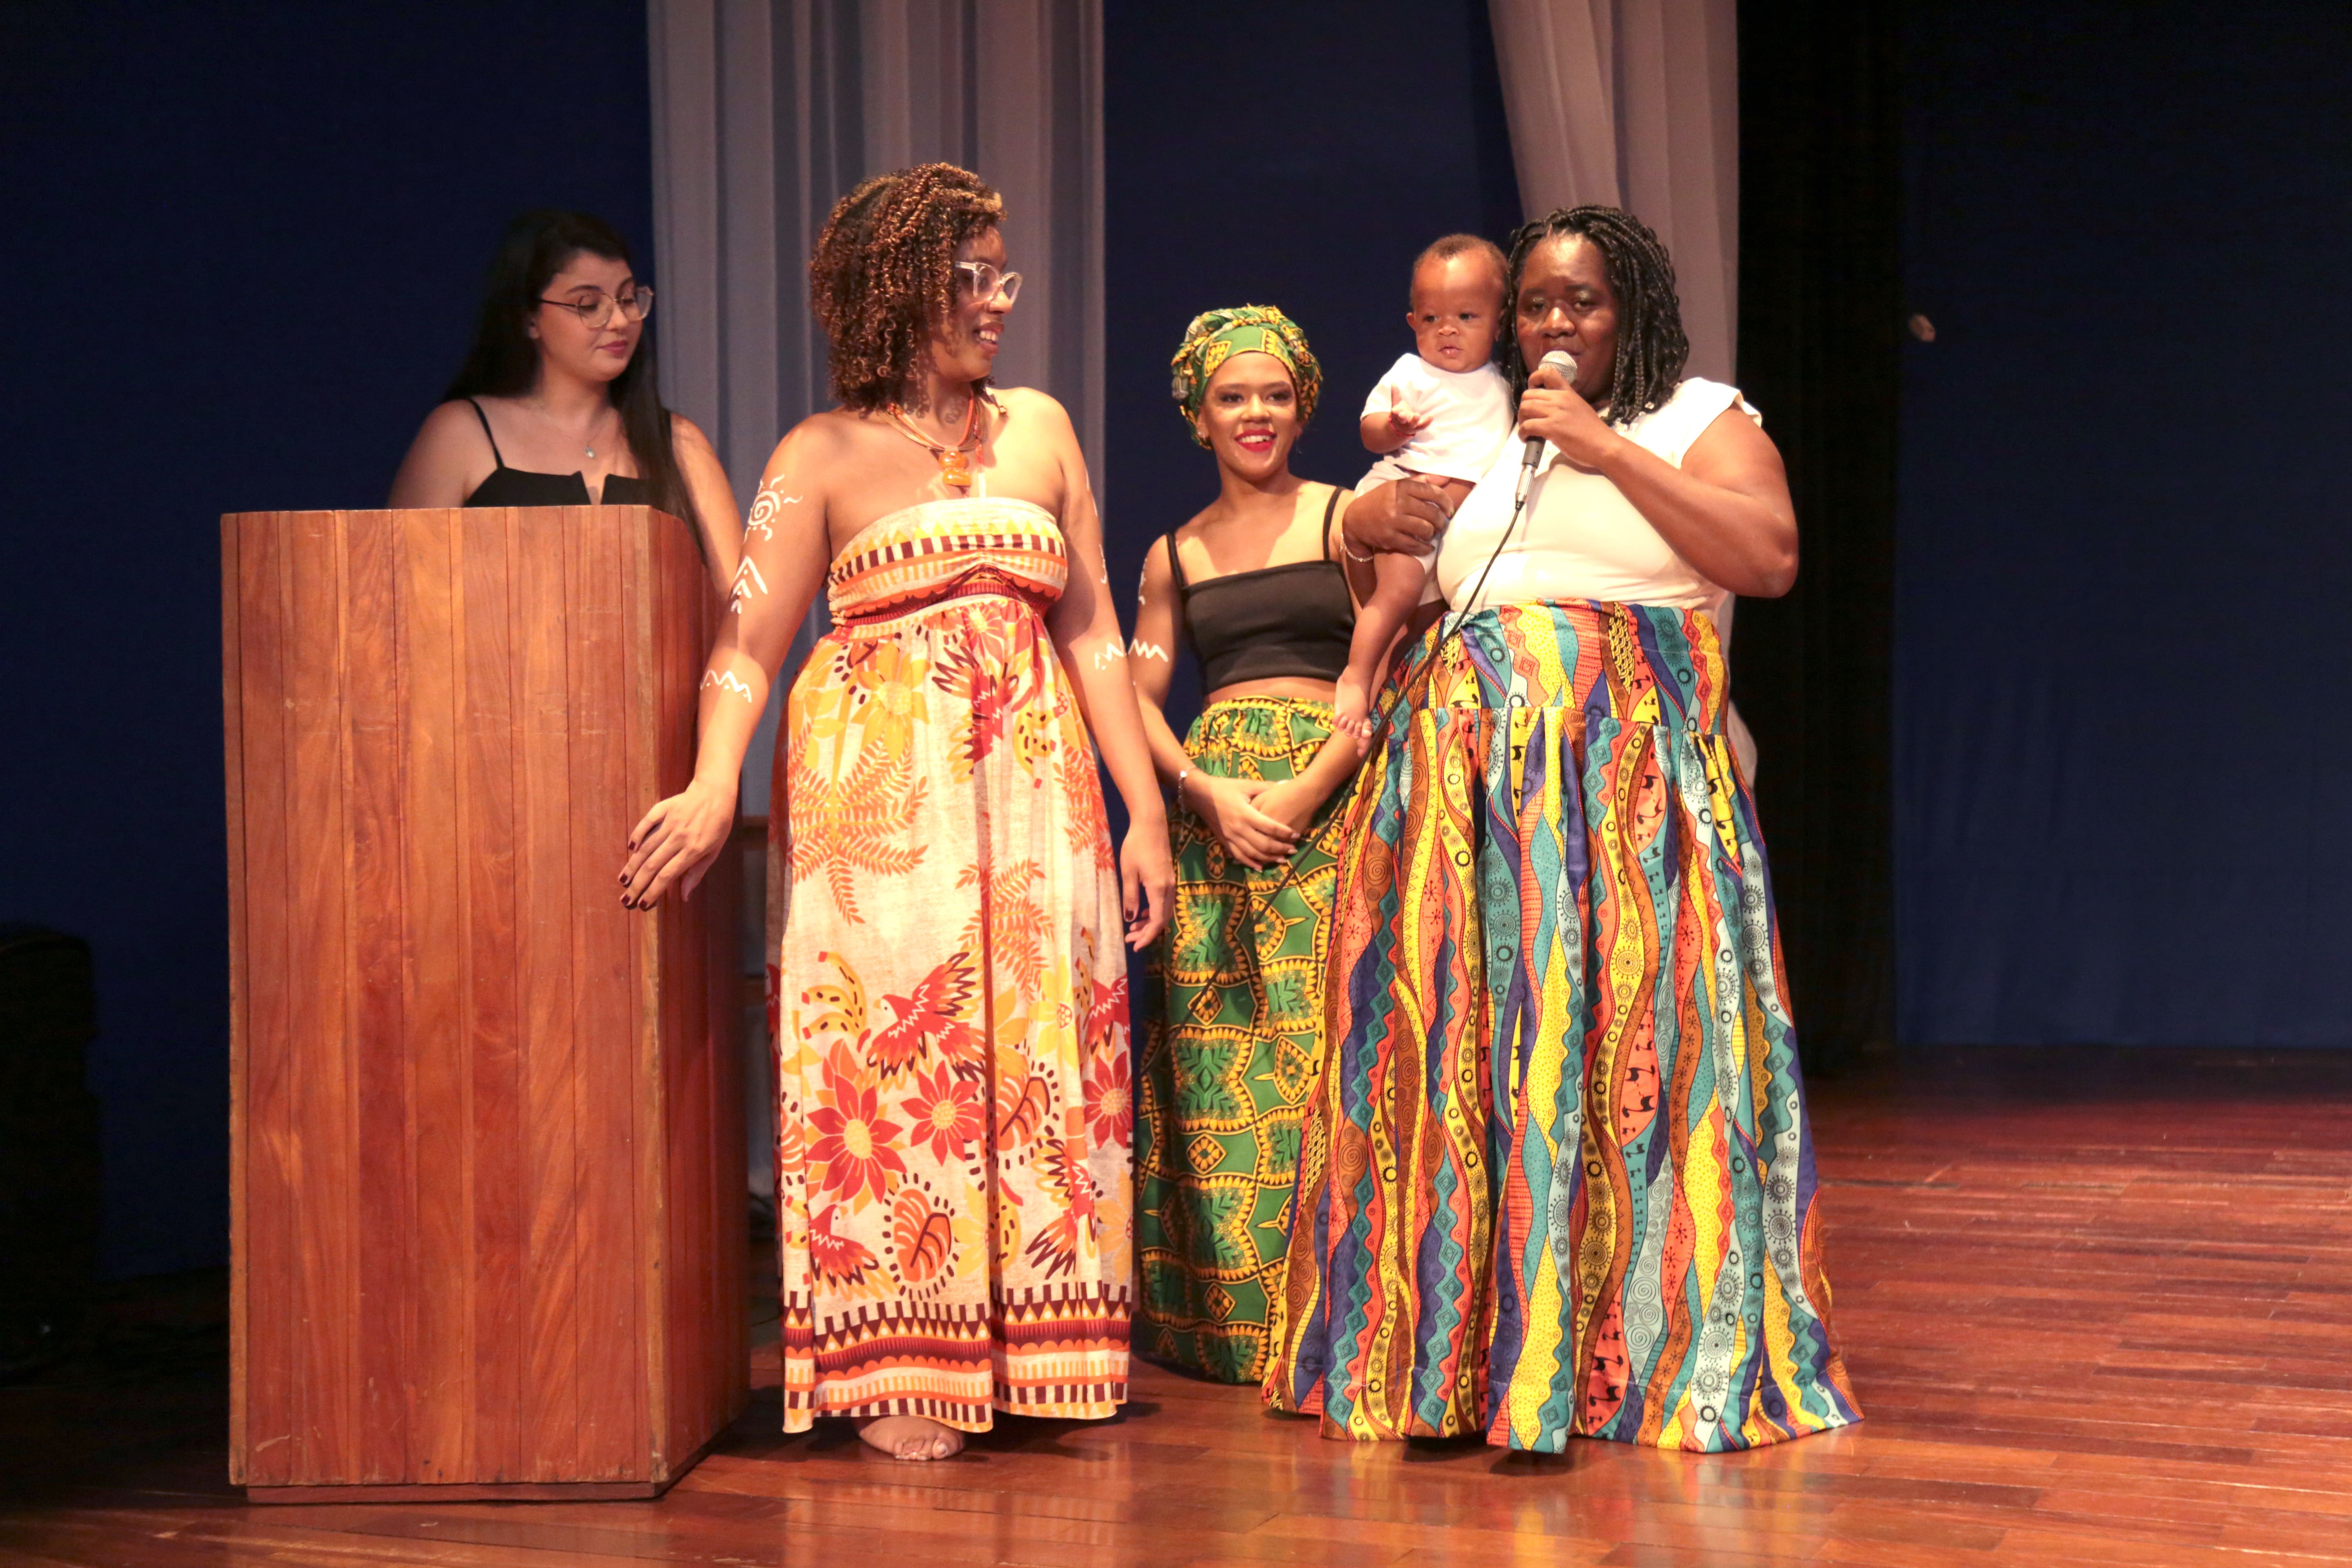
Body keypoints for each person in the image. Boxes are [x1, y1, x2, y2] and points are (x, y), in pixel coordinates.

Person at [1264, 205, 1860, 1452]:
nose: (1552, 322)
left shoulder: (1699, 416)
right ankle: (1461, 1357)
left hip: (1618, 785)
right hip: (1469, 793)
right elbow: (1428, 584)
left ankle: (1628, 1357)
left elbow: (1769, 556)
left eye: (1580, 299)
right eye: (1535, 301)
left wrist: (1605, 450)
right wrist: (1369, 536)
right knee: (1472, 1066)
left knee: (1629, 1053)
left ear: (1631, 307)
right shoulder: (1496, 437)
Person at [617, 165, 1173, 1463]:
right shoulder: (819, 454)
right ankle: (899, 1362)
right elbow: (746, 645)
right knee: (894, 1055)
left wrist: (1142, 811)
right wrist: (713, 780)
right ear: (897, 289)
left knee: (1041, 1047)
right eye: (969, 276)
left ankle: (1033, 1346)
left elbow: (1093, 629)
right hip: (884, 802)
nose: (996, 300)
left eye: (1001, 273)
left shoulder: (1041, 429)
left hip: (1035, 792)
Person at [1127, 306, 1369, 1384]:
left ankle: (1340, 1320)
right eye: (1233, 396)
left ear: (1303, 406)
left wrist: (1312, 786)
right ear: (1199, 415)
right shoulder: (1173, 554)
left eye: (1275, 394)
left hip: (1333, 804)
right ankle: (1232, 1332)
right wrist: (1202, 789)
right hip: (1215, 816)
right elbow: (1135, 697)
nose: (1255, 413)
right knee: (1219, 1064)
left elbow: (1385, 669)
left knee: (1325, 1056)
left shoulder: (1347, 520)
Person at [390, 209, 739, 592]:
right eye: (589, 305)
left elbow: (739, 608)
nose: (619, 321)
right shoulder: (461, 432)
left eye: (627, 299)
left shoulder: (679, 442)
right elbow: (404, 594)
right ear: (529, 319)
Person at [1336, 235, 1515, 739]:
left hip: (1447, 518)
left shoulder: (1502, 391)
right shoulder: (1411, 372)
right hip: (1403, 495)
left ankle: (1399, 698)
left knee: (1431, 623)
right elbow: (1370, 431)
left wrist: (1448, 503)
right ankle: (1356, 677)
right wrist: (1394, 428)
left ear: (1499, 323)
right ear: (1413, 322)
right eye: (1432, 318)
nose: (1447, 330)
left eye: (1466, 316)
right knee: (1400, 591)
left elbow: (1489, 468)